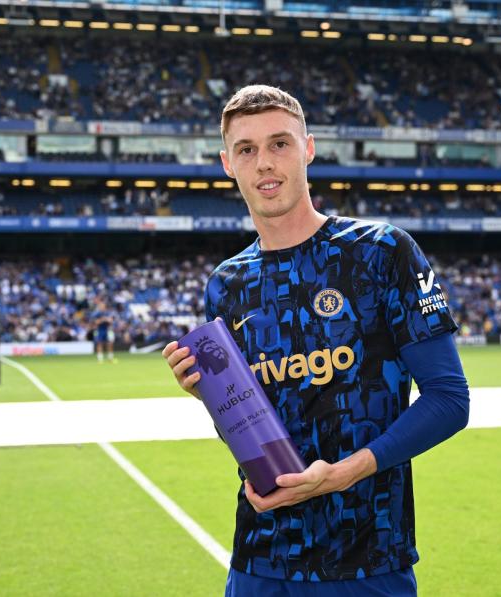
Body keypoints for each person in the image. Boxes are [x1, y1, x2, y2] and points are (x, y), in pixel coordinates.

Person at [162, 85, 470, 596]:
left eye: (279, 144)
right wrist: (211, 397)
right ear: (226, 164)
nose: (264, 163)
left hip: (368, 558)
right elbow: (249, 431)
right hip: (260, 560)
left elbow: (449, 400)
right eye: (247, 150)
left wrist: (345, 473)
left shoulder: (382, 253)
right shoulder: (227, 284)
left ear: (308, 148)